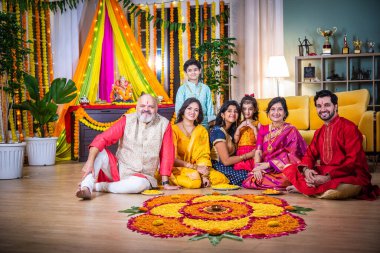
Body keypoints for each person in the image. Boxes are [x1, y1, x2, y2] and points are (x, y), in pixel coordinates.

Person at [76, 94, 180, 200]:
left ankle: (97, 186)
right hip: (119, 170)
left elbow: (167, 153)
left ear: (156, 108)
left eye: (151, 107)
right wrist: (89, 162)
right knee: (98, 151)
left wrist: (165, 182)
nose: (146, 109)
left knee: (138, 185)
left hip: (143, 176)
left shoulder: (164, 124)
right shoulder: (127, 120)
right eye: (142, 106)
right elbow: (102, 138)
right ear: (136, 107)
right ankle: (86, 187)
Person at [284, 90, 380, 200]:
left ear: (335, 106)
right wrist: (307, 170)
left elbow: (353, 162)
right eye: (319, 106)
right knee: (289, 168)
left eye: (327, 105)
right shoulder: (319, 132)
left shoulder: (349, 128)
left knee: (338, 190)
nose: (323, 109)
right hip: (324, 172)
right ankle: (312, 188)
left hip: (348, 175)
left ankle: (305, 188)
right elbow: (309, 155)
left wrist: (328, 177)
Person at [242, 97, 307, 190]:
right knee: (250, 180)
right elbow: (258, 151)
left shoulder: (291, 130)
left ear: (285, 113)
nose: (276, 113)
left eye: (280, 109)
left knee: (286, 178)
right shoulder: (263, 129)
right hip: (265, 168)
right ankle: (284, 185)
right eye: (272, 109)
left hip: (283, 168)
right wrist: (257, 167)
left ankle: (285, 183)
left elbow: (294, 155)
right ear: (268, 112)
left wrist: (270, 164)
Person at [170, 97, 229, 188]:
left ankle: (200, 177)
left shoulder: (201, 131)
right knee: (194, 182)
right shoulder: (173, 129)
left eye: (196, 110)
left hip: (199, 168)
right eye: (189, 108)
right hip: (178, 168)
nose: (192, 112)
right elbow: (172, 158)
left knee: (220, 179)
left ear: (199, 114)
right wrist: (195, 168)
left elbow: (203, 155)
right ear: (183, 110)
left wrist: (204, 175)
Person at [209, 100, 256, 186]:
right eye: (229, 111)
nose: (233, 113)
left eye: (236, 111)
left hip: (230, 165)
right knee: (249, 177)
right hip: (218, 166)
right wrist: (249, 155)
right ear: (222, 115)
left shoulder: (232, 131)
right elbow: (226, 161)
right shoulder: (217, 131)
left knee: (254, 171)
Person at [175, 59, 215, 129]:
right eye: (190, 70)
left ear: (200, 71)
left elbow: (210, 108)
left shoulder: (206, 88)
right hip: (187, 124)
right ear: (185, 72)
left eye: (195, 70)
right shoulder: (182, 89)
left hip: (204, 123)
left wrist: (209, 123)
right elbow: (179, 109)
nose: (193, 72)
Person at [233, 94, 259, 172]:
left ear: (254, 110)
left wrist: (254, 128)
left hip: (253, 152)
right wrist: (239, 128)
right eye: (244, 109)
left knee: (252, 170)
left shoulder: (257, 123)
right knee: (241, 169)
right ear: (241, 110)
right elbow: (235, 140)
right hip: (241, 152)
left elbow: (260, 140)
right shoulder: (239, 123)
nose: (247, 112)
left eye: (250, 109)